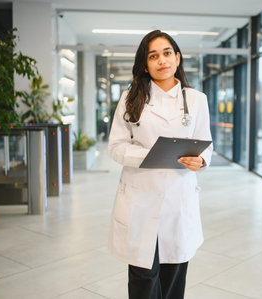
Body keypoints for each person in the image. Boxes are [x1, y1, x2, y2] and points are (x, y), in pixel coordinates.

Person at [107, 30, 213, 299]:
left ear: (177, 58)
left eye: (167, 53)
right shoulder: (131, 98)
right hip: (140, 199)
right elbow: (116, 147)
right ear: (145, 64)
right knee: (143, 277)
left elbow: (206, 143)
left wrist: (200, 161)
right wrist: (151, 155)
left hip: (178, 200)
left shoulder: (197, 100)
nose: (161, 60)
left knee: (173, 277)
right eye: (153, 56)